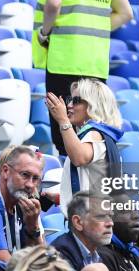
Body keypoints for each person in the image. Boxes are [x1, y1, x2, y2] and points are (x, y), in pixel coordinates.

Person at [32, 0, 133, 156]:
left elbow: (54, 2)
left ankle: (70, 189)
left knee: (64, 136)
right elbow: (126, 12)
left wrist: (45, 32)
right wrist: (96, 29)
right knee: (93, 133)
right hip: (96, 65)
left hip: (64, 61)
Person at [45, 78, 123, 213]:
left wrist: (63, 120)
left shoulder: (95, 133)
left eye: (75, 101)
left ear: (93, 105)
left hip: (91, 222)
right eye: (69, 99)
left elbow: (79, 157)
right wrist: (63, 198)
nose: (69, 105)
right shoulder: (104, 134)